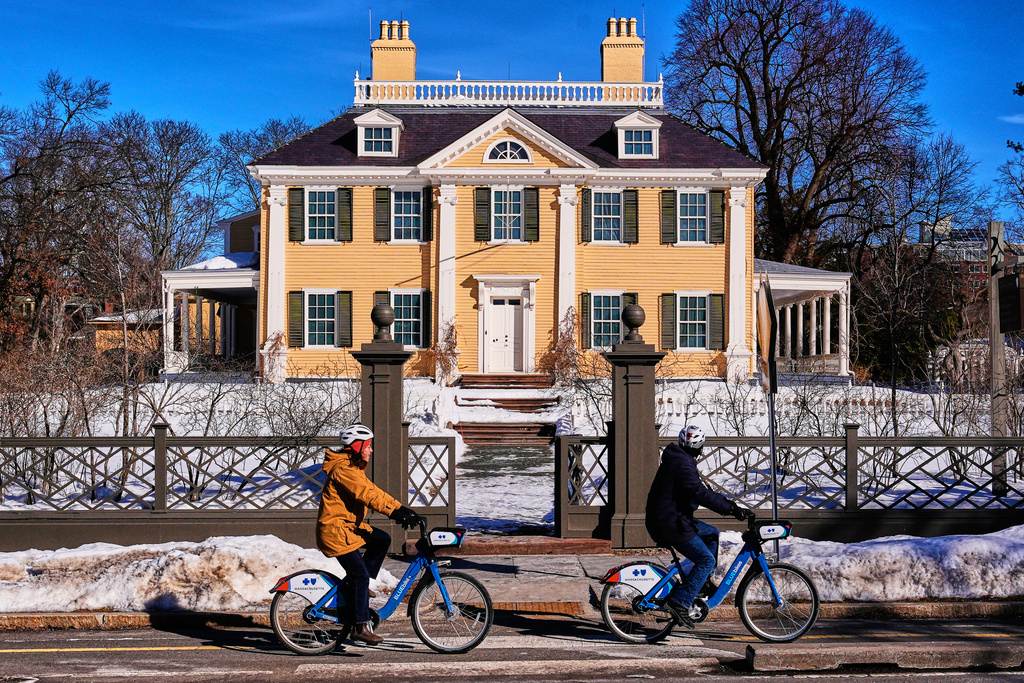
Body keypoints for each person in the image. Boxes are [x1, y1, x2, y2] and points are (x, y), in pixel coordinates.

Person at [316, 424, 422, 645]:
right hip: (336, 532)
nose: (371, 451)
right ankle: (360, 626)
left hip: (348, 527)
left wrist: (401, 509)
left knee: (382, 539)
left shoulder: (352, 468)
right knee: (360, 575)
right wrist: (397, 511)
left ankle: (358, 591)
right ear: (357, 446)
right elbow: (367, 495)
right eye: (368, 446)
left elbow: (374, 491)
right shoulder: (344, 470)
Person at [645, 425, 754, 628]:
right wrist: (732, 509)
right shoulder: (683, 465)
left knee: (712, 533)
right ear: (700, 448)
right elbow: (700, 493)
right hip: (671, 523)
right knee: (705, 559)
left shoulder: (678, 459)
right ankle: (680, 602)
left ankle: (700, 584)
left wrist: (730, 506)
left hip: (672, 518)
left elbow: (701, 491)